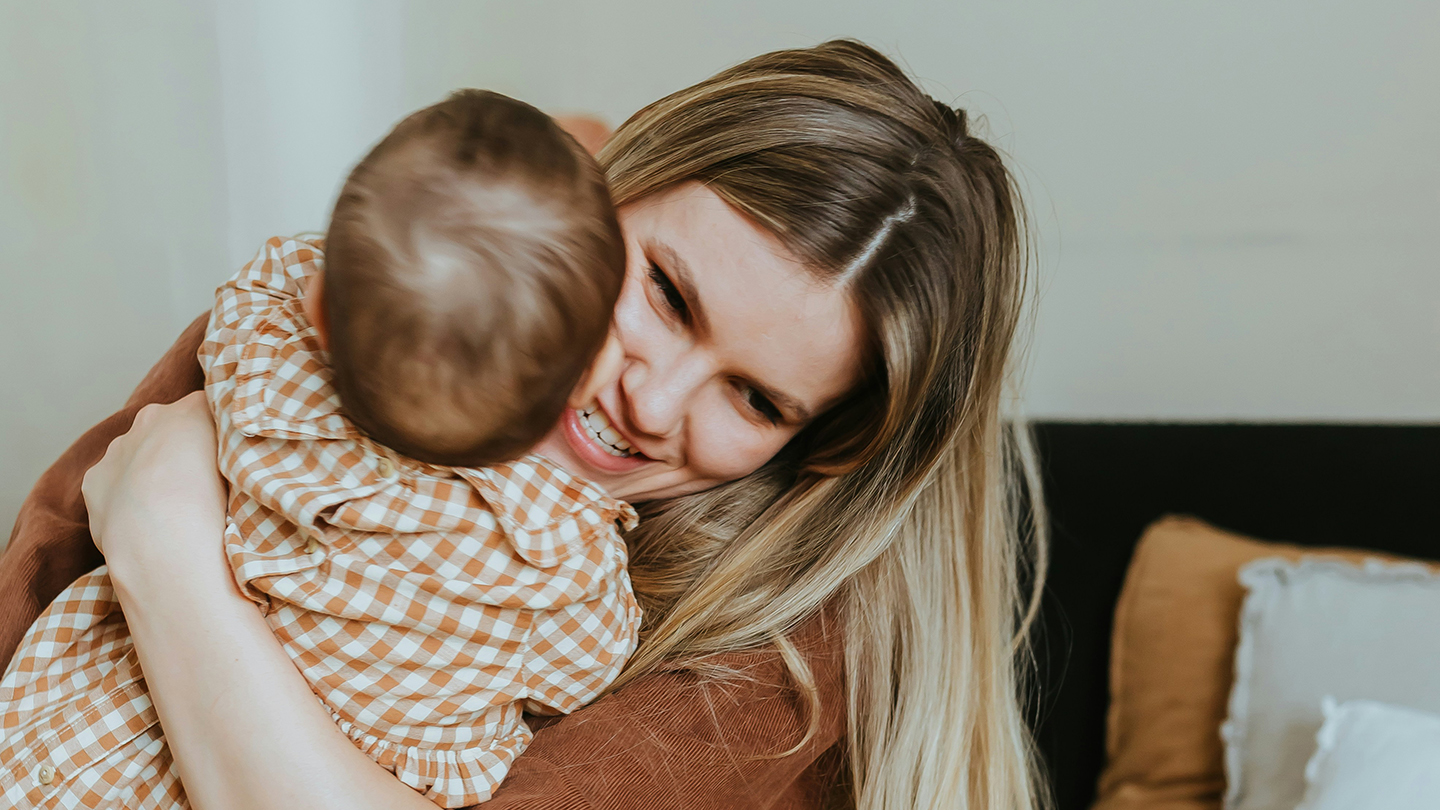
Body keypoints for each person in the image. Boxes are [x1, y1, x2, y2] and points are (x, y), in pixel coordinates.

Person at [0, 40, 1046, 809]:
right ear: (601, 192)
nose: (654, 401)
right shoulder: (345, 324)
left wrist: (169, 544)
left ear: (820, 449)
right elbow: (33, 593)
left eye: (756, 399)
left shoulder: (781, 656)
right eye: (669, 296)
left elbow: (129, 502)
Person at [1, 90, 638, 808]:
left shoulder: (272, 386)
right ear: (588, 373)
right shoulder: (557, 560)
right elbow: (589, 665)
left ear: (322, 312)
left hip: (68, 739)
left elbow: (268, 286)